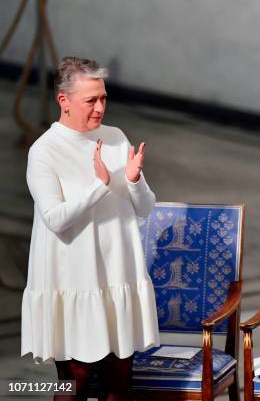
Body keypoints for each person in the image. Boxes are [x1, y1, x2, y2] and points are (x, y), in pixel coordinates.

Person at [21, 57, 159, 400]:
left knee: (118, 384)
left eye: (103, 98)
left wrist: (133, 179)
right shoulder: (44, 152)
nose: (100, 108)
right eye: (91, 100)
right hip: (73, 281)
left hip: (117, 276)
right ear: (63, 101)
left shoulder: (115, 138)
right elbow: (55, 219)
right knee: (75, 381)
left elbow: (144, 208)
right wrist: (99, 186)